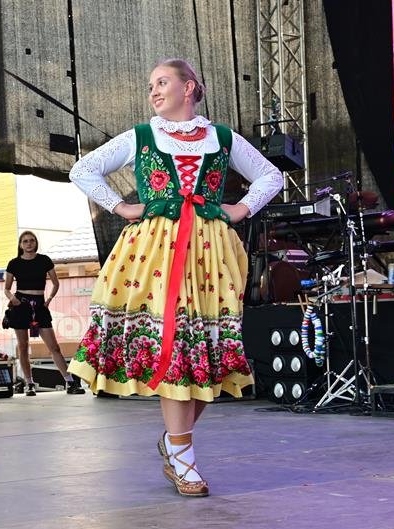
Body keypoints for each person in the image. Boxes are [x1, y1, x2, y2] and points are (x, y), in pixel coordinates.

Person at [67, 58, 281, 497]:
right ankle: (183, 456)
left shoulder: (221, 137)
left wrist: (241, 208)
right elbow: (82, 170)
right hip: (155, 253)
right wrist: (121, 207)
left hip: (210, 252)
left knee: (208, 352)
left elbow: (271, 176)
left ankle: (173, 442)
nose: (153, 91)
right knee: (176, 344)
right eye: (151, 85)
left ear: (189, 87)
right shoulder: (141, 136)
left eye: (162, 82)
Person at [4, 230, 84, 396]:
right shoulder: (14, 263)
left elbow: (56, 283)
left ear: (36, 243)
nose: (29, 243)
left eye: (31, 240)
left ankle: (70, 382)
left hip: (40, 306)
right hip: (21, 305)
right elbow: (6, 289)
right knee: (23, 347)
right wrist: (13, 299)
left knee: (54, 347)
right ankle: (29, 383)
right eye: (25, 241)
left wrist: (49, 300)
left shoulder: (44, 260)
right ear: (20, 245)